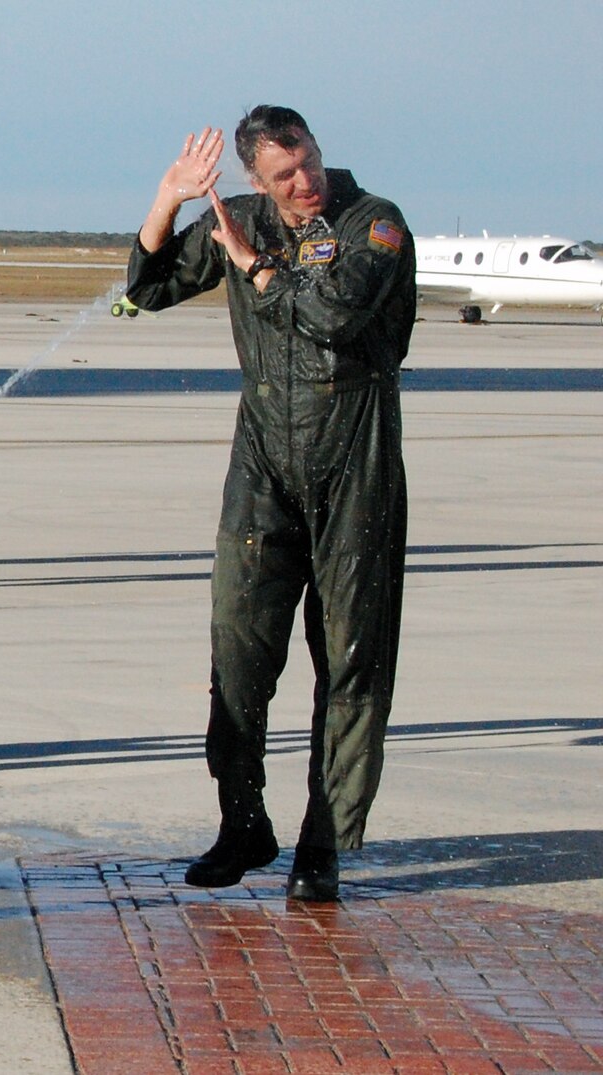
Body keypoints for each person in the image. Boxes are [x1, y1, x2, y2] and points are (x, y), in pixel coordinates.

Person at [125, 106, 416, 902]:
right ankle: (242, 820)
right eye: (285, 174)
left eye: (310, 163)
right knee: (238, 650)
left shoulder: (373, 224)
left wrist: (254, 266)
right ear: (256, 178)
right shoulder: (239, 217)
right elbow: (145, 288)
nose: (305, 182)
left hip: (353, 457)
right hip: (263, 459)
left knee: (351, 659)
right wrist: (169, 199)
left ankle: (323, 844)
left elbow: (334, 315)